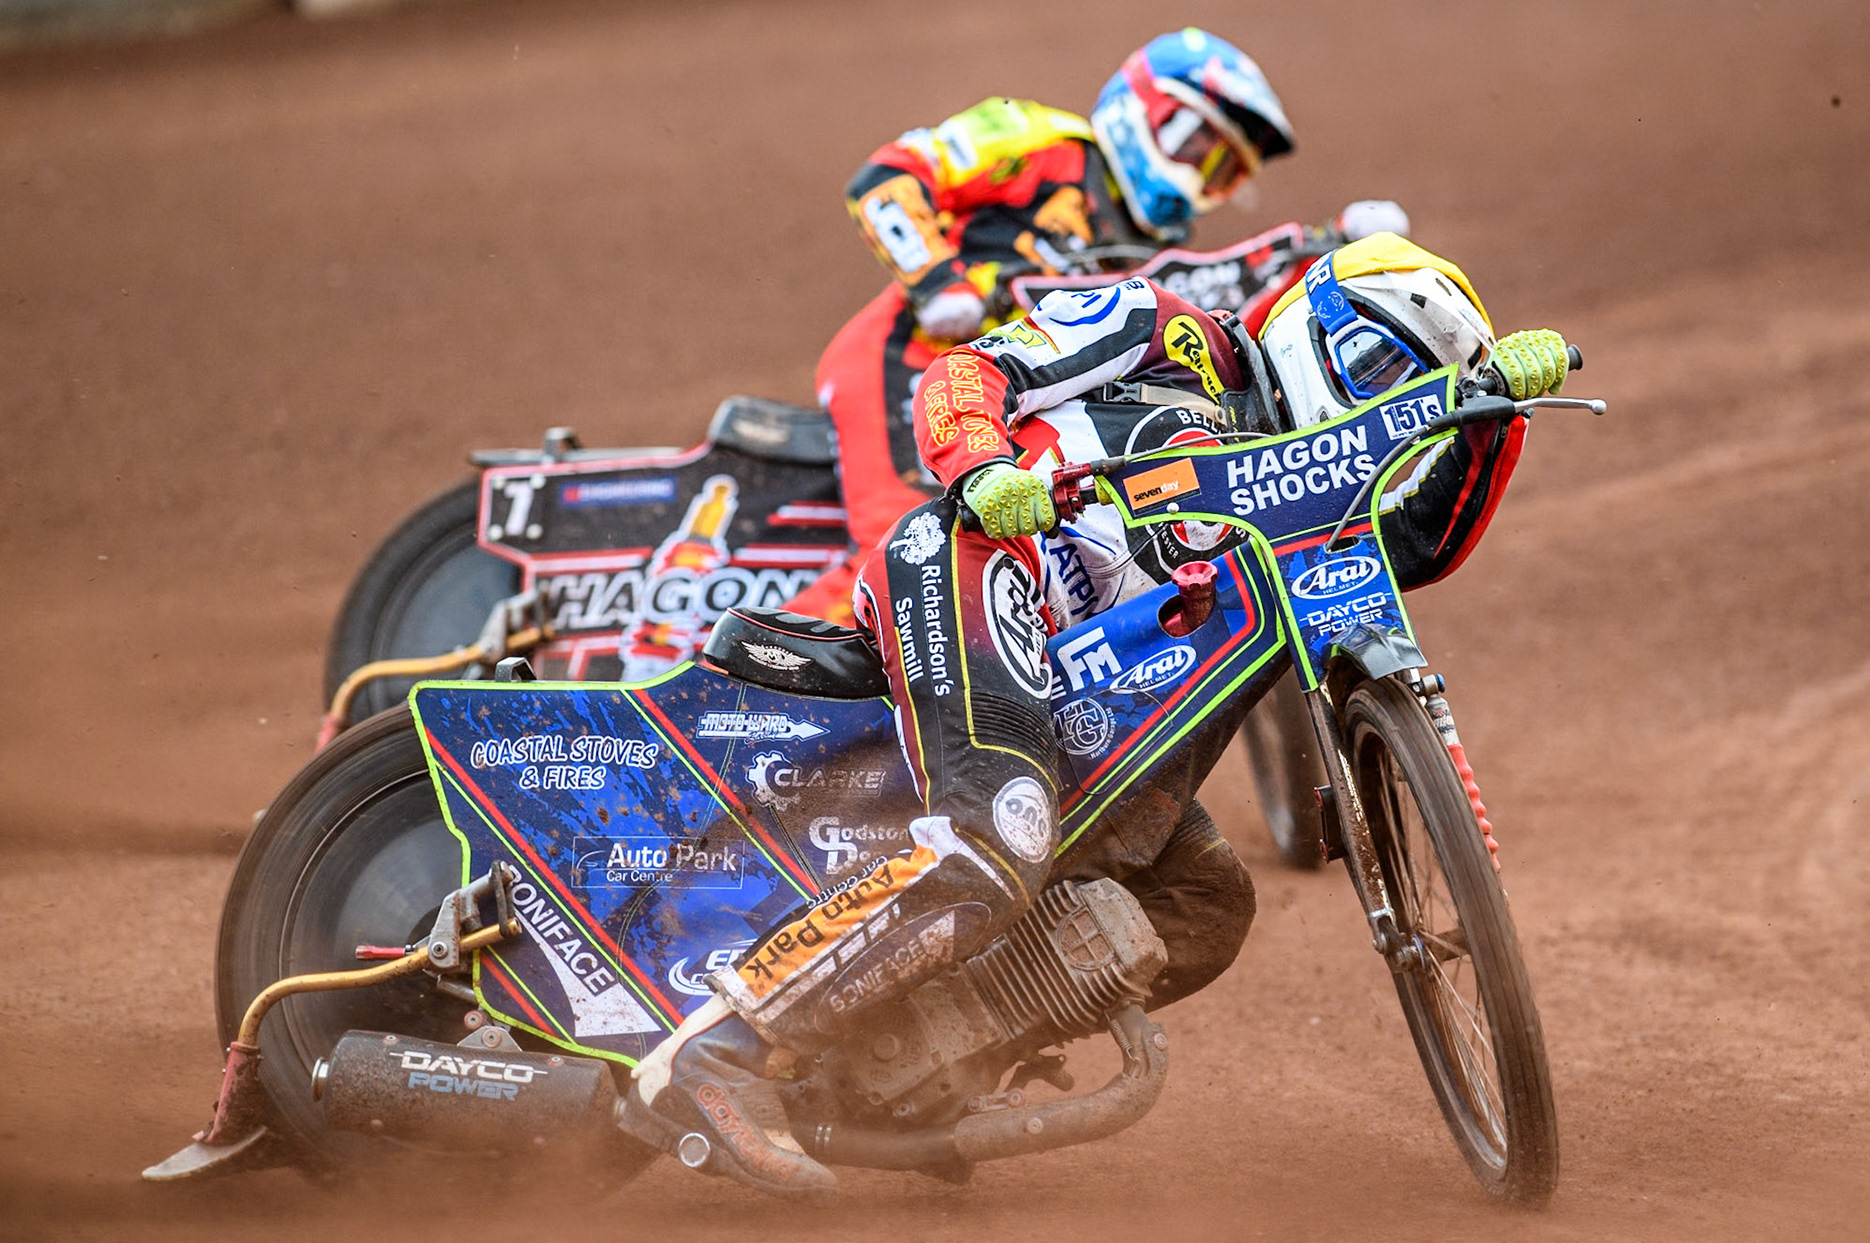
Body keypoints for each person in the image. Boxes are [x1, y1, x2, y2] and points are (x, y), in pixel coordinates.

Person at [635, 233, 1573, 1194]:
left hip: (1094, 702)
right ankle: (724, 1055)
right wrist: (982, 466)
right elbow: (969, 371)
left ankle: (912, 1069)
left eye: (1414, 393)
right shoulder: (1165, 330)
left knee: (1206, 907)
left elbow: (1418, 543)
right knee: (999, 836)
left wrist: (1490, 421)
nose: (1382, 404)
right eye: (1377, 367)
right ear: (1306, 325)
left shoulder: (1328, 518)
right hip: (981, 567)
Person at [783, 27, 1407, 624]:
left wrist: (1329, 248)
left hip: (1009, 399)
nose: (1197, 181)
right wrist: (936, 278)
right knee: (908, 560)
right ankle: (712, 703)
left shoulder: (1142, 257)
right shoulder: (1038, 137)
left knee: (1005, 566)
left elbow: (1220, 309)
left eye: (1222, 172)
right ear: (1146, 107)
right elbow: (889, 175)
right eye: (1197, 147)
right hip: (910, 359)